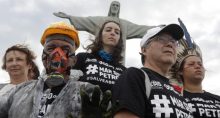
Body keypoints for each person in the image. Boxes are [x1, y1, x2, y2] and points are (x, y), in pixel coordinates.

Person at [0, 21, 104, 118]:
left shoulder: (88, 93)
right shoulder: (18, 92)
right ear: (42, 55)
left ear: (74, 60)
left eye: (65, 49)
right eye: (50, 48)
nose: (57, 54)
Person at [112, 24, 194, 118]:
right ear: (144, 50)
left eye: (173, 41)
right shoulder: (135, 76)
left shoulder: (178, 93)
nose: (170, 44)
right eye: (161, 39)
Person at [53, 1, 160, 64]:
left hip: (117, 62)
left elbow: (140, 28)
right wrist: (69, 17)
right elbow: (86, 20)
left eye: (117, 6)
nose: (115, 7)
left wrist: (158, 28)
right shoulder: (100, 20)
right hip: (96, 60)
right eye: (113, 5)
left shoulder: (124, 24)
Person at [169, 38, 220, 117]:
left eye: (200, 64)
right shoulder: (174, 98)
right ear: (180, 71)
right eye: (191, 64)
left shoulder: (217, 99)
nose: (197, 66)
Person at [72, 20, 126, 92]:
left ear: (119, 39)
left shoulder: (124, 71)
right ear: (100, 35)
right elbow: (68, 85)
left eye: (117, 32)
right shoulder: (83, 57)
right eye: (108, 30)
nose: (112, 33)